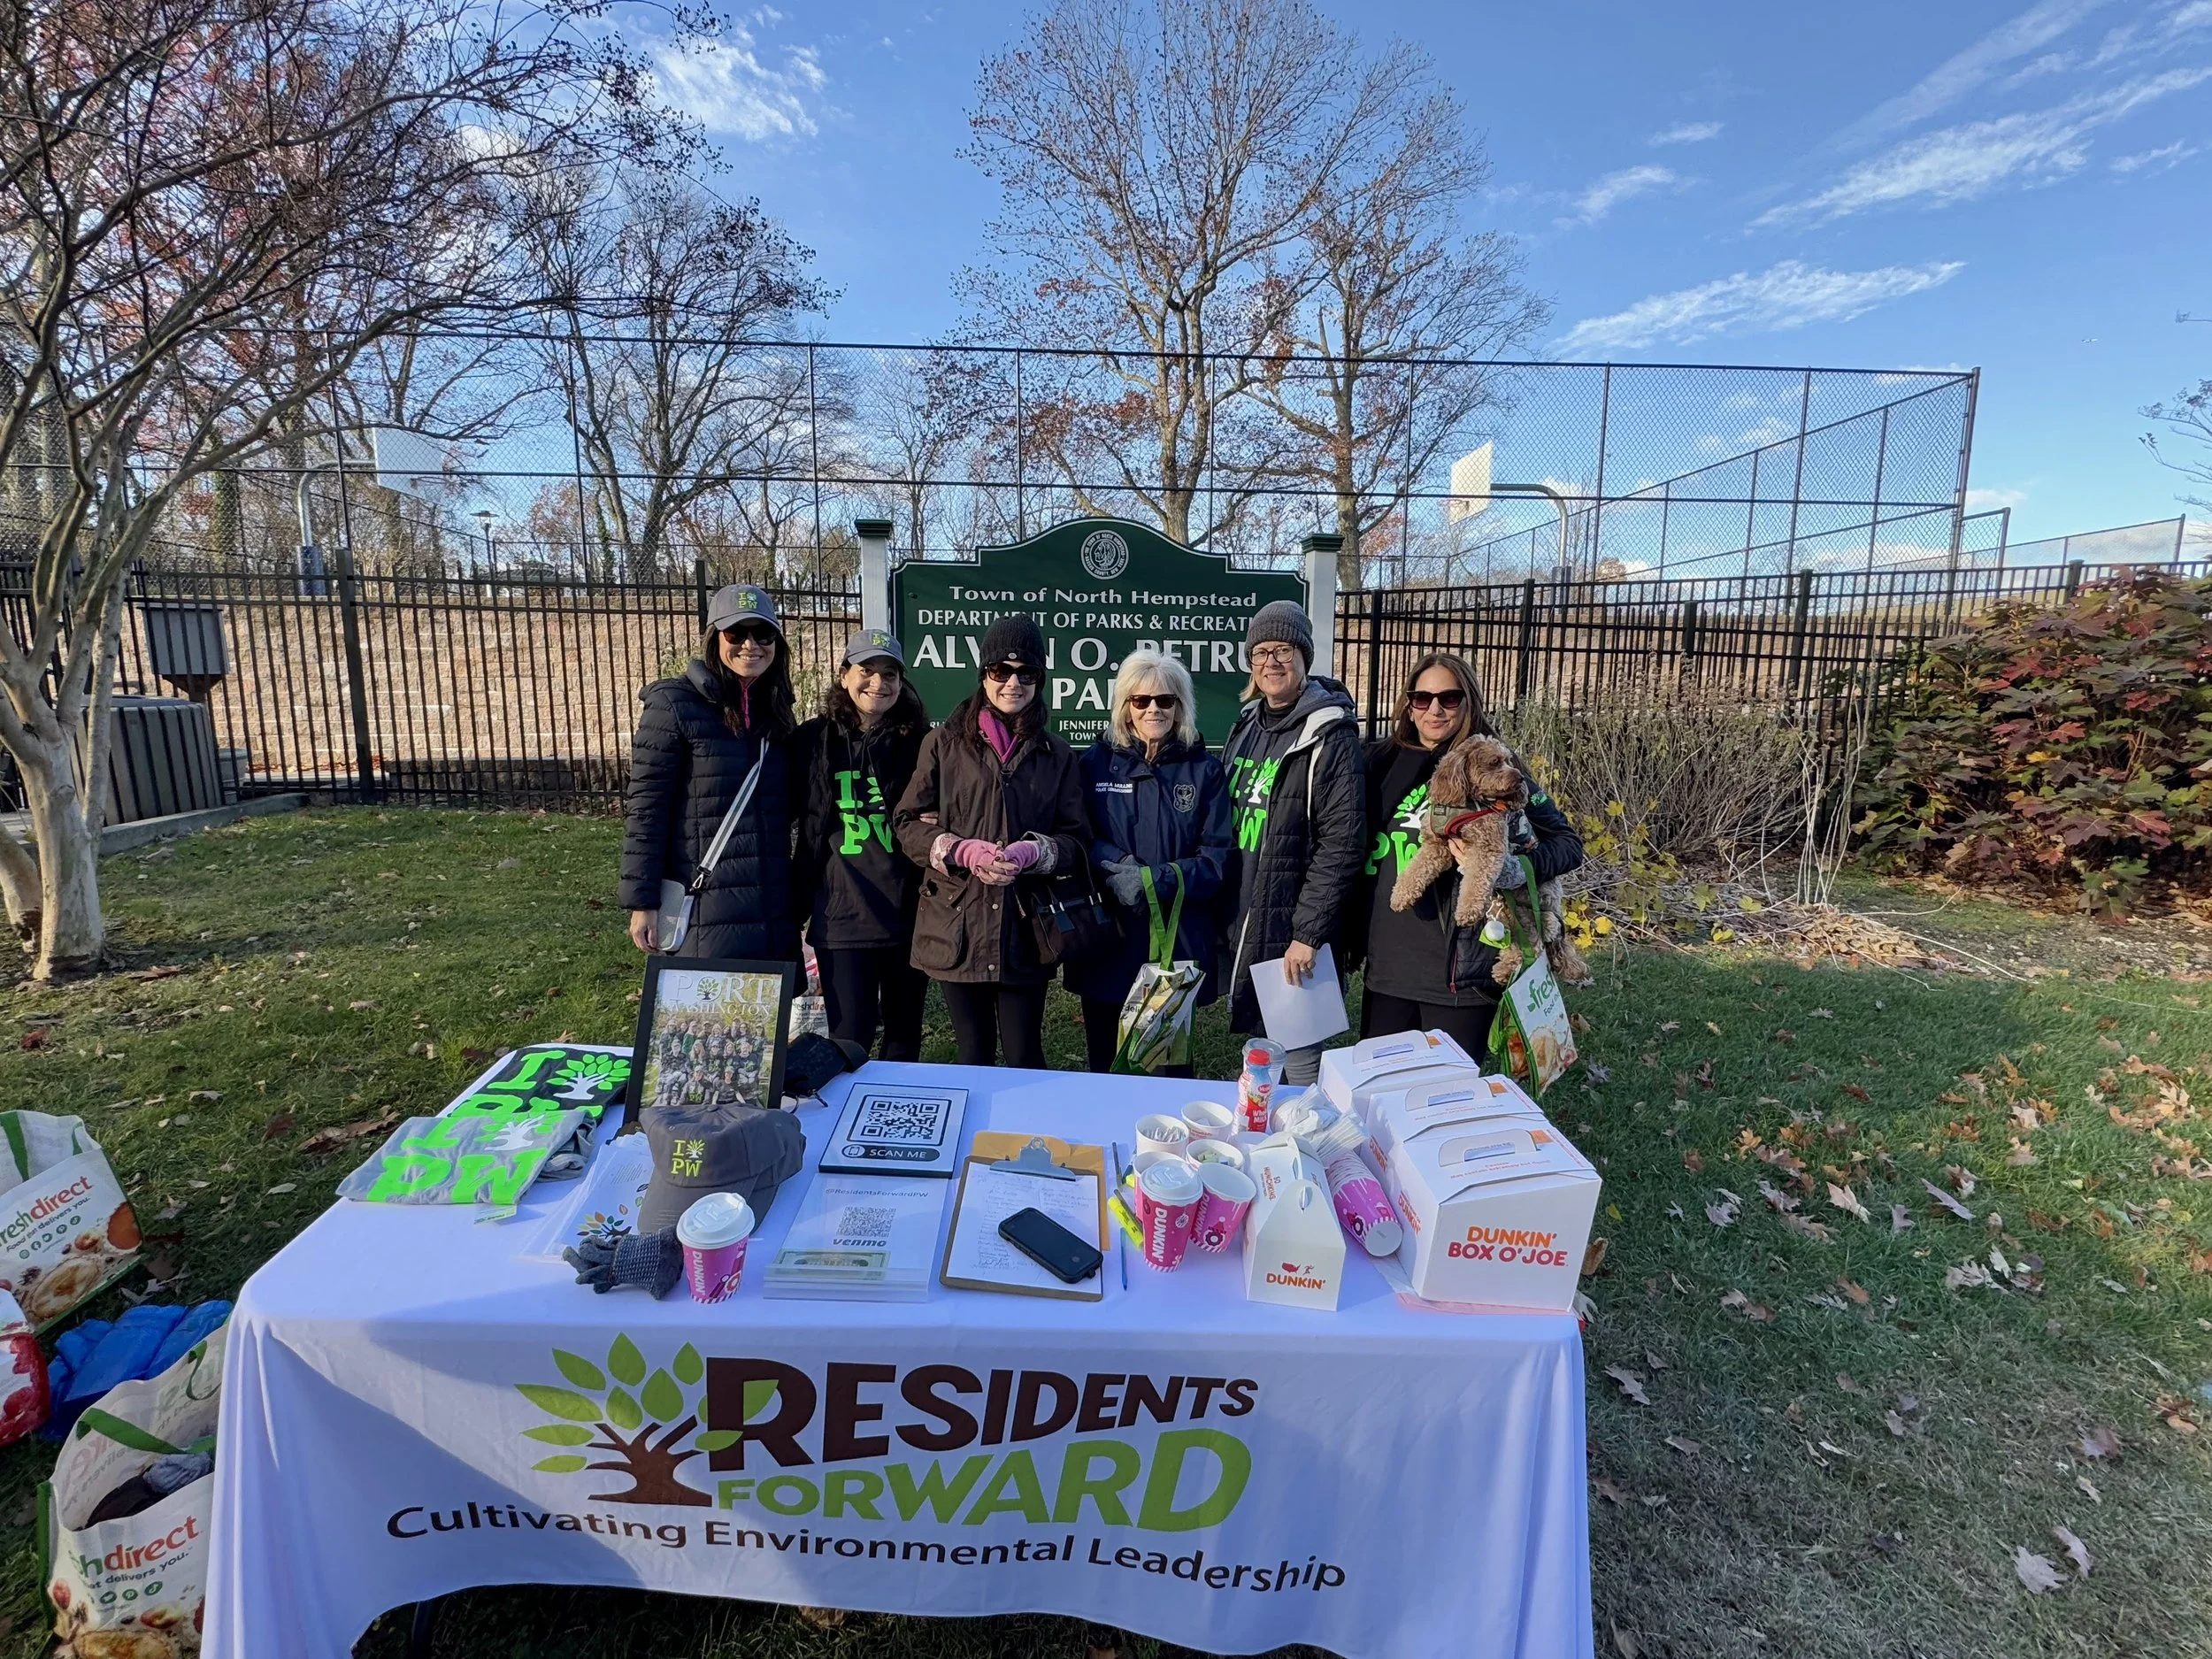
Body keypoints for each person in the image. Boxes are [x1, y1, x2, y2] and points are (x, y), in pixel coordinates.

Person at [1342, 652, 1584, 1053]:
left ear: (1468, 700)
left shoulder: (1496, 765)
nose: (1434, 709)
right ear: (1408, 703)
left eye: (1449, 698)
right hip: (1387, 965)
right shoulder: (1379, 760)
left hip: (1462, 968)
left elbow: (1568, 845)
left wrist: (1510, 870)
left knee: (1448, 1099)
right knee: (1380, 1095)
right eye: (1422, 698)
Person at [893, 614, 1087, 1069]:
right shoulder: (942, 744)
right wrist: (960, 849)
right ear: (984, 675)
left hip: (1025, 929)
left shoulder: (1056, 754)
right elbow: (906, 823)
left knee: (1024, 1056)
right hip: (956, 925)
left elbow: (1077, 840)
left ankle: (1024, 1141)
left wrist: (1035, 851)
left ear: (1040, 679)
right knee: (972, 1057)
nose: (1013, 683)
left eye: (1027, 673)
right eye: (1001, 671)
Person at [1217, 600, 1365, 1087]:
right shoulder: (1247, 725)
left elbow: (1342, 842)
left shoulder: (1329, 734)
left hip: (1294, 916)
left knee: (1297, 1051)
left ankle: (1301, 1148)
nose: (1271, 662)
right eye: (1260, 652)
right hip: (1248, 906)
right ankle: (1263, 1144)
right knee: (1261, 1043)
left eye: (1283, 650)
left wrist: (1309, 931)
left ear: (1304, 657)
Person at [1070, 649, 1233, 1075]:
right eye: (1141, 701)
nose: (1153, 709)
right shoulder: (1093, 764)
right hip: (1110, 935)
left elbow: (1217, 858)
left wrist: (1156, 879)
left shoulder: (1205, 771)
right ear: (1125, 705)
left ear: (1181, 706)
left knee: (1170, 1068)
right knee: (1106, 1064)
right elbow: (1078, 835)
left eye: (1165, 700)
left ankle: (1168, 1142)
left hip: (1175, 942)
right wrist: (1115, 863)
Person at [619, 583, 798, 960]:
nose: (751, 644)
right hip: (707, 903)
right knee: (711, 1016)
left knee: (764, 1016)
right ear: (715, 639)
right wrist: (643, 899)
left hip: (772, 905)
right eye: (736, 633)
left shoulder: (777, 712)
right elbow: (647, 810)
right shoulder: (674, 704)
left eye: (763, 633)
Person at [790, 629, 932, 1063]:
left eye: (889, 673)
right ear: (844, 674)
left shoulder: (921, 743)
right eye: (866, 671)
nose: (878, 682)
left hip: (908, 912)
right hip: (842, 913)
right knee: (849, 1038)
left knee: (904, 1036)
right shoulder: (812, 740)